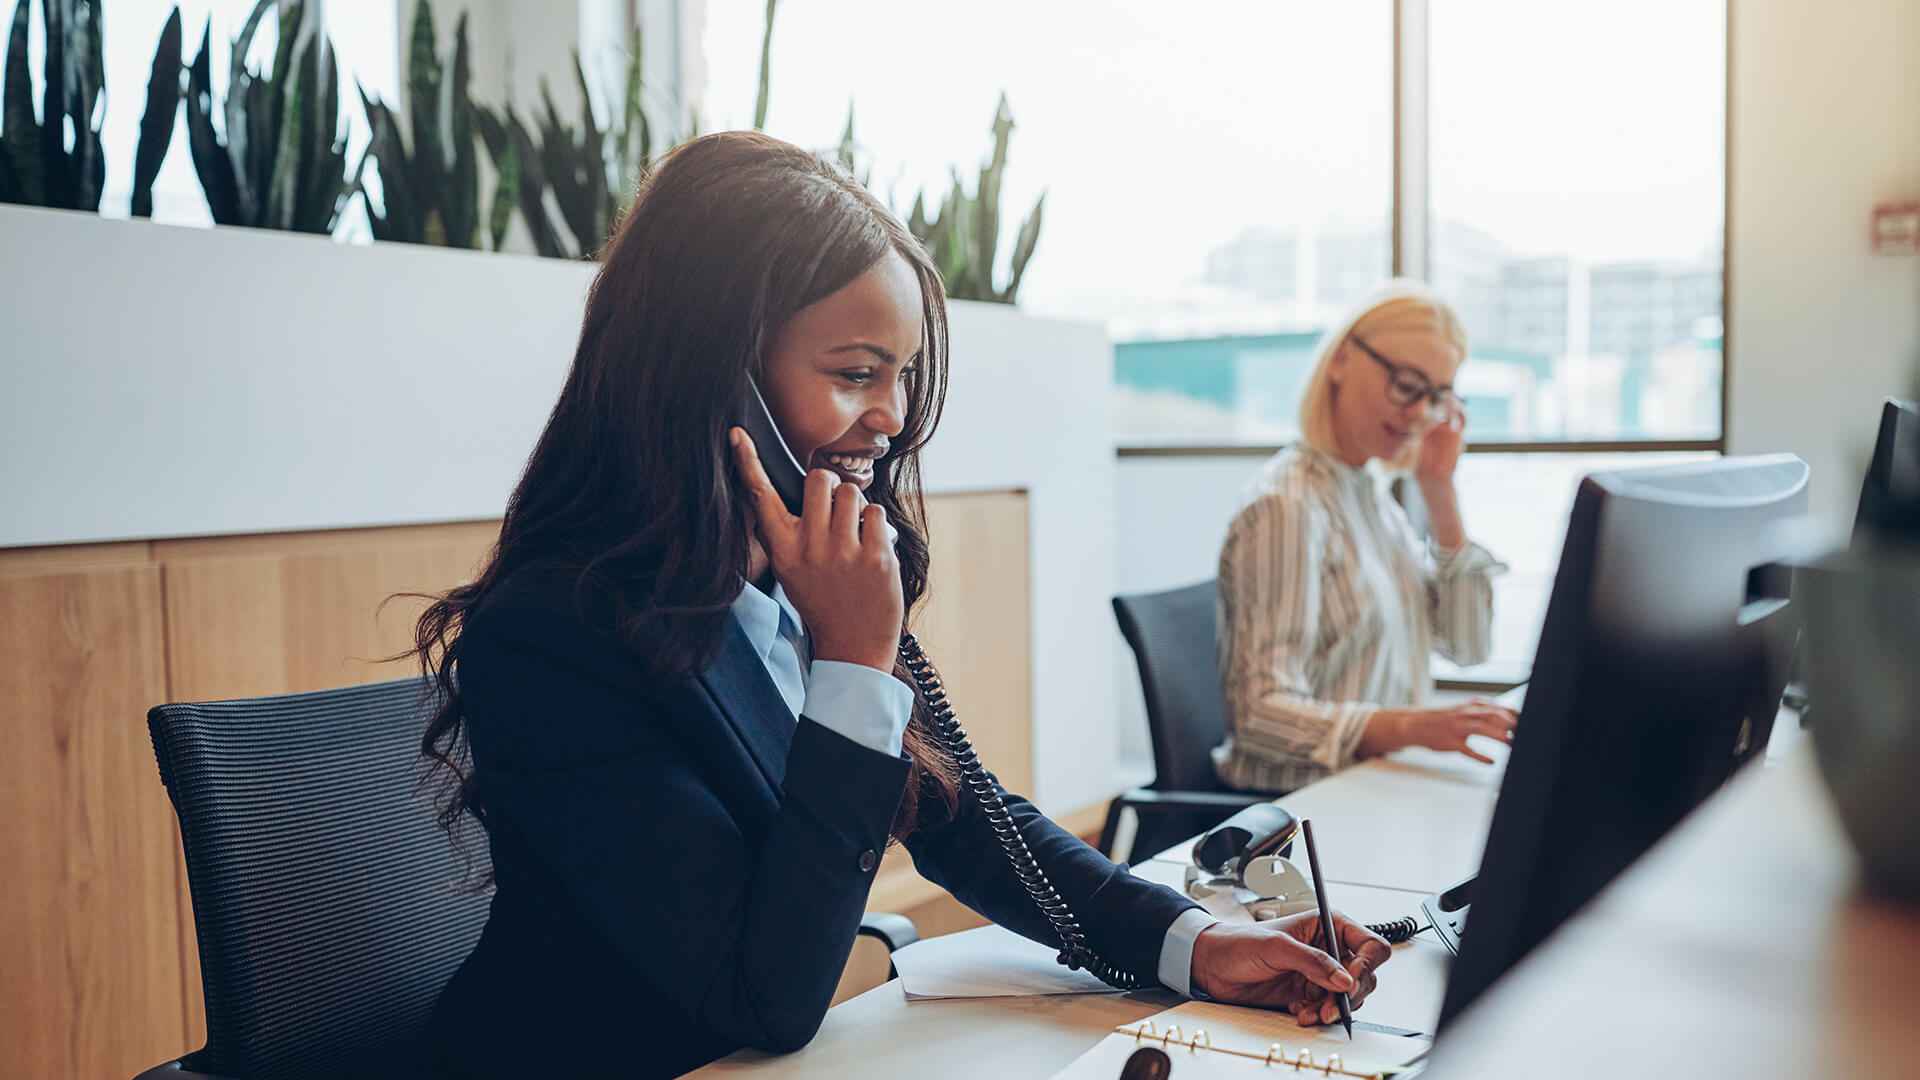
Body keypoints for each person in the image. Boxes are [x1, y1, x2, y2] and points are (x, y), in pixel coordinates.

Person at [411, 132, 1392, 1078]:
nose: (890, 416)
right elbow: (766, 1000)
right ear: (716, 378)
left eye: (902, 373)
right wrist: (851, 663)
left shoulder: (786, 580)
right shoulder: (556, 634)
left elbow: (969, 821)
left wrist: (1199, 944)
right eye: (852, 374)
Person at [1214, 284, 1519, 795]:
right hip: (1301, 812)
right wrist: (1408, 727)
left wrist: (1440, 491)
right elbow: (1261, 714)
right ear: (1342, 360)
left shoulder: (1370, 495)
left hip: (1374, 785)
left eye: (1438, 396)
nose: (1422, 414)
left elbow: (1468, 645)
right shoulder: (1286, 506)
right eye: (1407, 385)